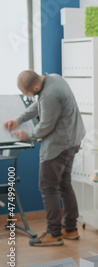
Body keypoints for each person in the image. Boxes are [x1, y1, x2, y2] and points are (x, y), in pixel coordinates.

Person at [4, 70, 85, 246]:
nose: (29, 97)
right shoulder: (54, 79)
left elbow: (45, 126)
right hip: (71, 141)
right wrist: (19, 119)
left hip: (59, 147)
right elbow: (39, 105)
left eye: (28, 94)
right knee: (64, 185)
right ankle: (70, 229)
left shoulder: (49, 93)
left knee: (48, 188)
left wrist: (28, 135)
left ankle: (53, 233)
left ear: (35, 87)